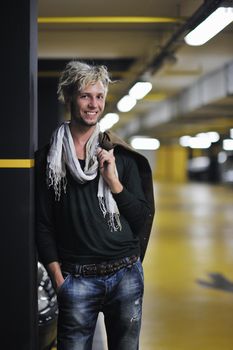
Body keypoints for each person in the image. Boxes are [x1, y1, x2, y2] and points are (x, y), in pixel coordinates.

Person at [35, 60, 155, 350]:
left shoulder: (119, 156)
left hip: (125, 275)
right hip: (77, 280)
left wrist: (114, 182)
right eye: (85, 96)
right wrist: (58, 278)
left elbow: (140, 217)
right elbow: (42, 223)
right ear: (69, 98)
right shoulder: (48, 160)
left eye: (99, 96)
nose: (93, 104)